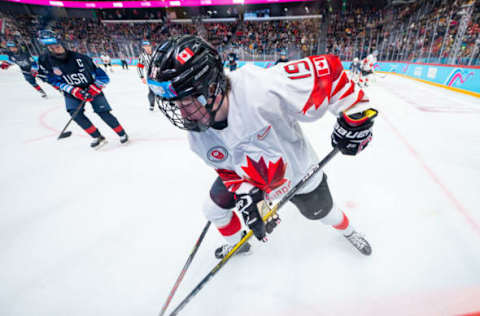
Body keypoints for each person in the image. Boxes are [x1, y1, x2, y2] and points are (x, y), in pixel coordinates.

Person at [147, 35, 375, 259]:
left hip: (298, 173)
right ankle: (238, 244)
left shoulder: (260, 88)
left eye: (188, 102)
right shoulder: (198, 135)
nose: (184, 115)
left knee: (324, 213)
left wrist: (356, 112)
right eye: (177, 105)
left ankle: (349, 231)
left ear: (211, 87)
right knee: (213, 209)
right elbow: (227, 171)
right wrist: (248, 194)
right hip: (253, 176)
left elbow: (328, 70)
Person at [37, 30, 128, 149]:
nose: (55, 50)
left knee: (103, 112)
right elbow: (52, 79)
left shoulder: (81, 58)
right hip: (72, 92)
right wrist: (73, 90)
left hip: (91, 88)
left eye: (57, 46)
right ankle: (97, 136)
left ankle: (121, 133)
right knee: (74, 114)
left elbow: (103, 77)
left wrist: (93, 89)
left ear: (62, 44)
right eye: (50, 48)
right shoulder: (45, 61)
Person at [137, 40, 156, 111]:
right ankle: (152, 104)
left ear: (150, 46)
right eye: (145, 46)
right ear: (143, 47)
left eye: (148, 46)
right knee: (151, 90)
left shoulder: (156, 53)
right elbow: (139, 67)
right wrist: (142, 77)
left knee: (165, 88)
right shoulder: (142, 56)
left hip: (159, 74)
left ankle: (170, 101)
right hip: (150, 76)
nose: (147, 48)